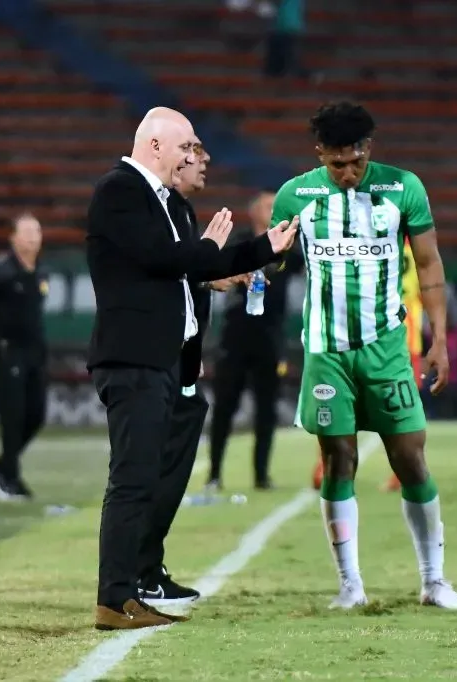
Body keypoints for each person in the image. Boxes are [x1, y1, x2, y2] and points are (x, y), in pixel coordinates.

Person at [85, 106, 298, 630]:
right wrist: (206, 249)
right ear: (156, 146)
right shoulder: (120, 190)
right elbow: (167, 260)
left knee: (150, 478)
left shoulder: (161, 202)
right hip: (132, 358)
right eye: (187, 146)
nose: (194, 155)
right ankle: (115, 598)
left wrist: (261, 249)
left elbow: (198, 264)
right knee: (132, 481)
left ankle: (137, 582)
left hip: (161, 361)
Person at [274, 100, 457, 610]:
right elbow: (269, 263)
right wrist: (240, 271)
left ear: (370, 149)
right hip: (325, 352)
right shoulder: (295, 195)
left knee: (411, 457)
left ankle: (434, 581)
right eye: (337, 163)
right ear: (320, 155)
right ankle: (351, 586)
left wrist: (439, 340)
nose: (348, 172)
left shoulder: (403, 188)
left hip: (386, 346)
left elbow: (429, 266)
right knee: (339, 458)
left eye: (356, 160)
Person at [134, 142, 245, 606]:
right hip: (159, 360)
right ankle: (139, 572)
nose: (204, 160)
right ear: (172, 163)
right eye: (194, 152)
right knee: (152, 472)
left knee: (171, 472)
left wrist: (214, 274)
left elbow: (183, 277)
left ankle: (148, 567)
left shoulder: (179, 210)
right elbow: (164, 271)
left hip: (182, 359)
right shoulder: (157, 210)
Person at [207, 190, 302, 492]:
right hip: (236, 335)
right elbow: (218, 268)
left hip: (271, 337)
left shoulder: (288, 246)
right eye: (266, 205)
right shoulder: (240, 242)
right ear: (253, 211)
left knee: (266, 409)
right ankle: (214, 473)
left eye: (276, 205)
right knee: (224, 406)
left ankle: (261, 475)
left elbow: (307, 262)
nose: (272, 209)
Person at [310, 236, 421, 493]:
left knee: (339, 400)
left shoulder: (360, 241)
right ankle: (403, 470)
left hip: (358, 332)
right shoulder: (415, 249)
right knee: (397, 409)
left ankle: (325, 465)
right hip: (402, 338)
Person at [0, 213, 47, 500]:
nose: (31, 238)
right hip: (8, 351)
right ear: (13, 238)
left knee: (36, 414)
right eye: (25, 232)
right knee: (12, 417)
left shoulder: (40, 270)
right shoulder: (0, 270)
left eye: (36, 232)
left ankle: (1, 467)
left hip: (36, 351)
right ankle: (10, 478)